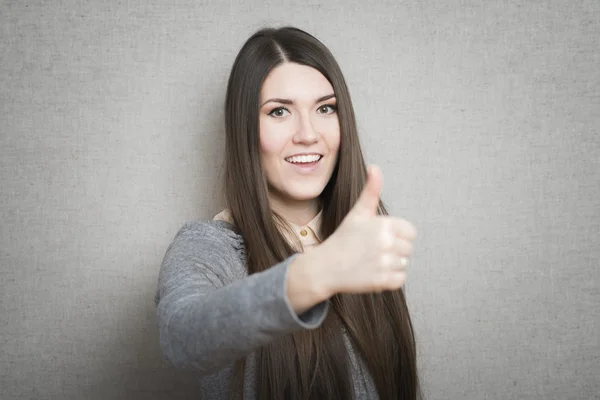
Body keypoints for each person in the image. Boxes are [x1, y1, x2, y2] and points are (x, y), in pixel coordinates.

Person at [155, 26, 421, 400]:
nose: (308, 134)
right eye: (279, 111)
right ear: (245, 128)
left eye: (325, 108)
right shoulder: (208, 248)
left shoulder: (364, 235)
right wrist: (316, 273)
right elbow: (182, 338)